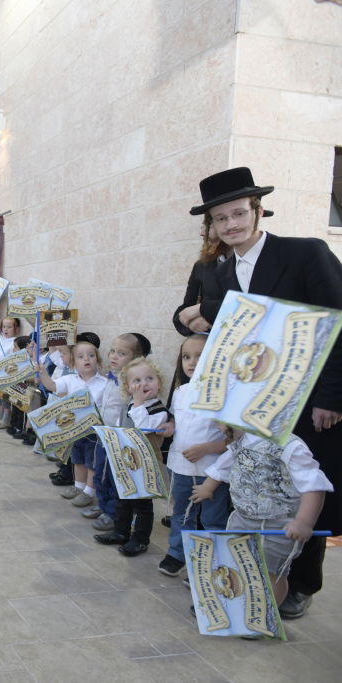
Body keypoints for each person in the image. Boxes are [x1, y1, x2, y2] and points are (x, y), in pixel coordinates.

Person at [184, 167, 342, 618]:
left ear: (257, 210)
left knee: (302, 492)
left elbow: (338, 319)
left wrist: (332, 396)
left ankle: (302, 582)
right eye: (220, 218)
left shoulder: (306, 253)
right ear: (211, 226)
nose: (231, 224)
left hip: (308, 403)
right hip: (250, 404)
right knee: (252, 489)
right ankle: (253, 575)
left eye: (238, 213)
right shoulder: (216, 272)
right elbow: (219, 326)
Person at [191, 428, 333, 606]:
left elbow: (312, 483)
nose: (217, 426)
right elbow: (226, 464)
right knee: (236, 562)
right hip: (242, 517)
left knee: (270, 573)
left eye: (221, 420)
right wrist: (208, 487)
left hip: (278, 523)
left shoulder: (290, 446)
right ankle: (239, 607)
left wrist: (304, 521)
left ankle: (265, 615)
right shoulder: (241, 440)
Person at [155, 334, 230, 577]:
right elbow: (179, 420)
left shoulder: (224, 395)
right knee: (181, 513)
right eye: (187, 356)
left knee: (212, 518)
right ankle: (177, 552)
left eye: (200, 355)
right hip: (180, 466)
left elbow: (233, 441)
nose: (192, 362)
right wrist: (170, 427)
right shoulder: (181, 391)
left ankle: (212, 564)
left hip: (211, 471)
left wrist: (207, 448)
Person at [94, 357, 168, 556]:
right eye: (137, 381)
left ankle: (141, 539)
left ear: (159, 382)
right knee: (123, 499)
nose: (143, 384)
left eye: (149, 378)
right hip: (126, 461)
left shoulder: (158, 409)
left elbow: (145, 427)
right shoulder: (129, 406)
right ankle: (121, 531)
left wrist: (138, 402)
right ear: (127, 387)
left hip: (145, 465)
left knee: (143, 505)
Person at [36, 341, 108, 508]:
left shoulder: (104, 383)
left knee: (92, 463)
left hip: (94, 433)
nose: (86, 359)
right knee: (77, 460)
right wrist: (43, 374)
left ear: (97, 359)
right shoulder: (69, 379)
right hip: (75, 431)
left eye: (91, 355)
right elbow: (53, 387)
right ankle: (78, 487)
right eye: (81, 357)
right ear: (74, 362)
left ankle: (89, 492)